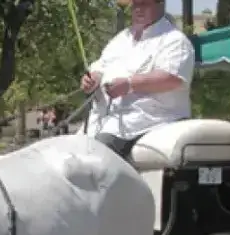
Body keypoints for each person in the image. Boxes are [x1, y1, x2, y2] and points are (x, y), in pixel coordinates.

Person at [79, 0, 195, 159]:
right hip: (105, 120)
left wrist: (129, 84)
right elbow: (101, 65)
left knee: (98, 155)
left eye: (145, 4)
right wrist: (93, 79)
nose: (138, 9)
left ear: (160, 4)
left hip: (148, 119)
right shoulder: (122, 38)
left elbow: (171, 78)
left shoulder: (174, 40)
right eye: (135, 4)